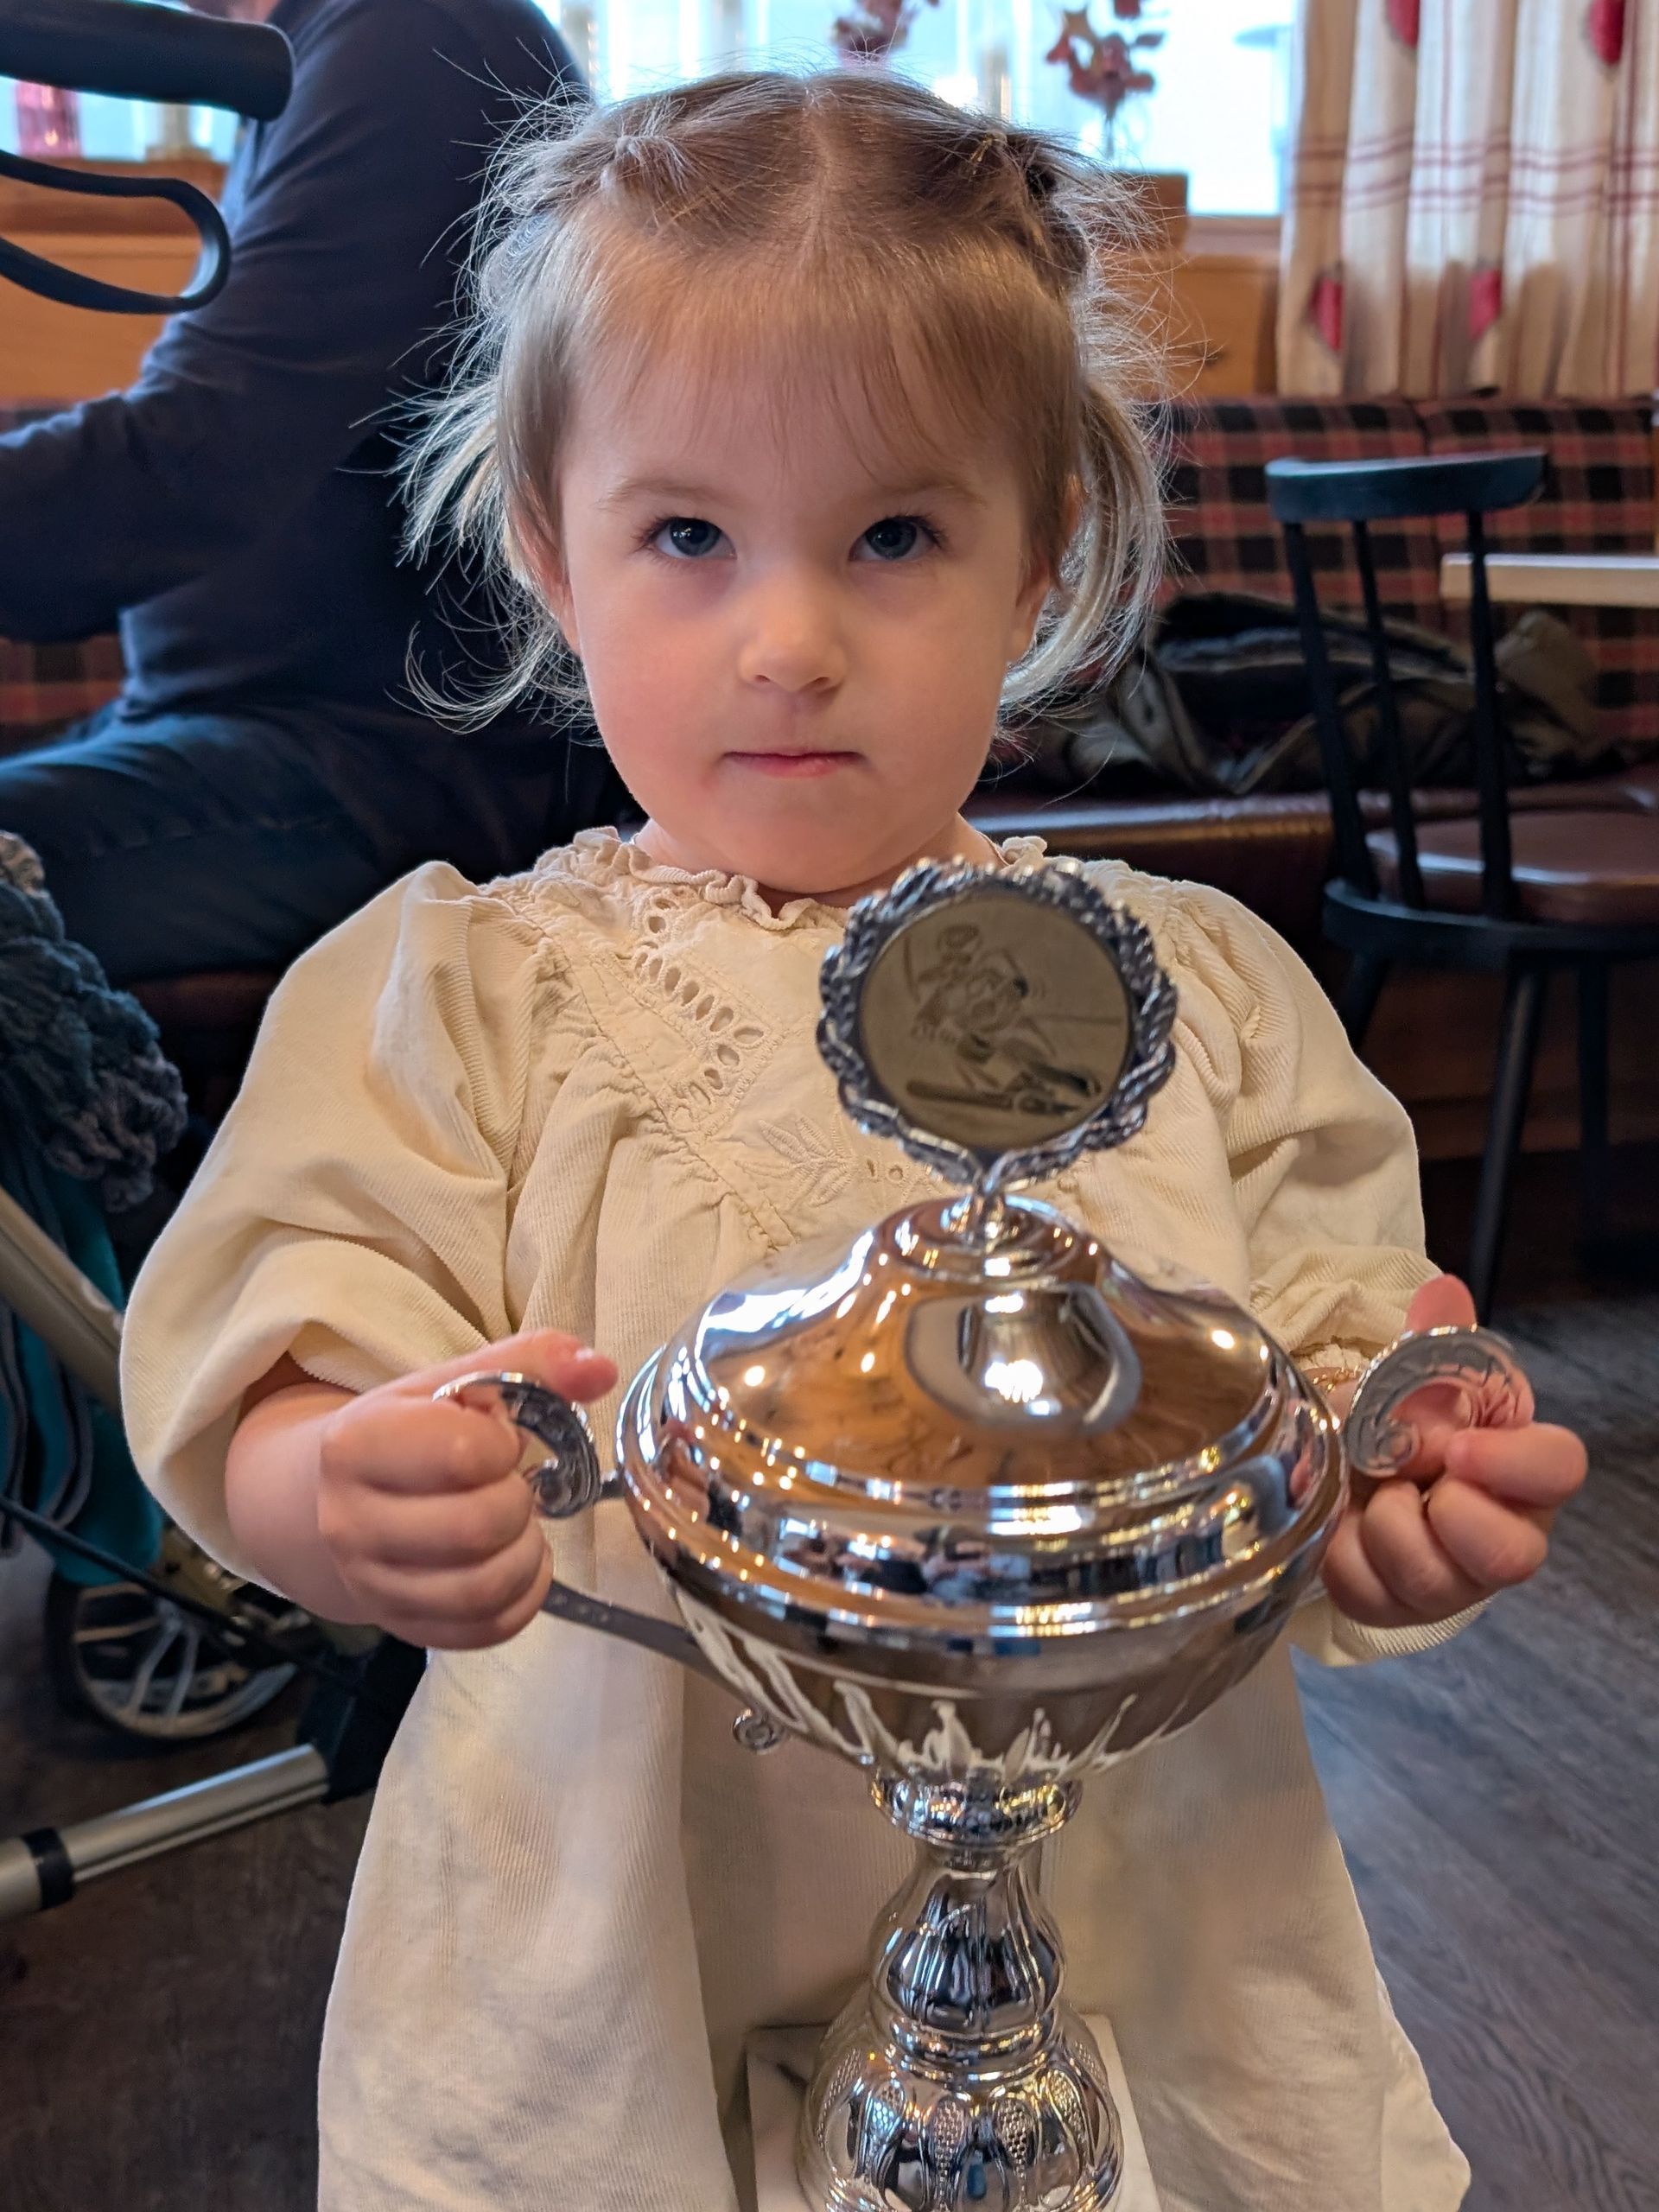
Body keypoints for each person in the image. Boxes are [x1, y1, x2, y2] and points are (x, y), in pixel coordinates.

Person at [118, 71, 1587, 2212]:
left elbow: (1333, 1353)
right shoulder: (453, 995)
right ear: (548, 544)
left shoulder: (1202, 994)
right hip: (612, 1924)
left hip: (1131, 1915)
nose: (790, 642)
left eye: (894, 537)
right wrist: (336, 1488)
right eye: (687, 536)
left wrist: (1392, 1488)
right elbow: (274, 1348)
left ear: (1039, 556)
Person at [0, 0, 626, 986]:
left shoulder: (414, 39)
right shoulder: (312, 51)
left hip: (390, 771)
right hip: (236, 731)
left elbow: (194, 459)